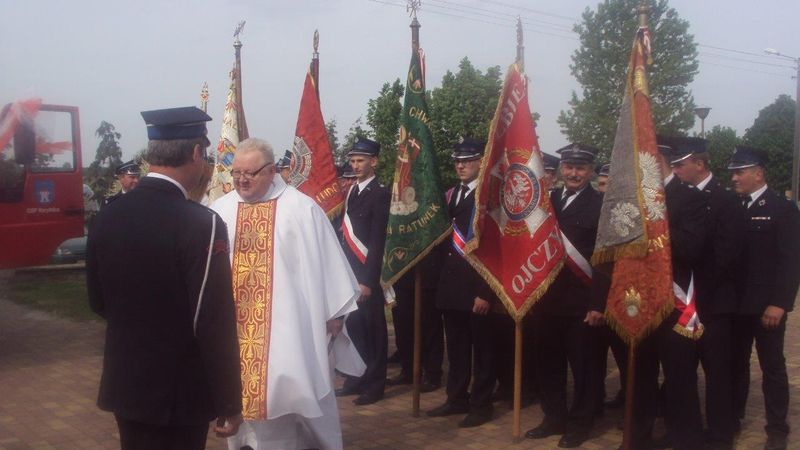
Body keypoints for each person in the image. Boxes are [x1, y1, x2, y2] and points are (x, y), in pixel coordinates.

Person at [86, 106, 243, 450]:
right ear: (196, 153)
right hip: (179, 390)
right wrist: (230, 400)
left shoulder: (108, 217)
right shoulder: (200, 223)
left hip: (126, 382)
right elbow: (212, 320)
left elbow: (97, 300)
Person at [210, 137, 361, 450]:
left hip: (289, 330)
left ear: (271, 171)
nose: (241, 179)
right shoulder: (219, 211)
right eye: (236, 172)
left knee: (292, 398)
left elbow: (329, 267)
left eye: (250, 173)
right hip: (234, 331)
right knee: (239, 395)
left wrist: (334, 315)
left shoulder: (301, 209)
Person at [525, 143, 604, 448]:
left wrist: (598, 303)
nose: (573, 173)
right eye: (568, 167)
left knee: (584, 368)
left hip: (582, 303)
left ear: (590, 171)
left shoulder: (600, 205)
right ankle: (553, 417)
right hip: (547, 300)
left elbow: (604, 260)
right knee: (548, 364)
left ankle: (581, 423)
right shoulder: (547, 201)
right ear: (561, 170)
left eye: (580, 168)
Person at [670, 136, 745, 450]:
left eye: (680, 164)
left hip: (713, 302)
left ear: (699, 164)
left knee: (718, 373)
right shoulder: (676, 198)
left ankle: (719, 435)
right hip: (681, 300)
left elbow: (728, 254)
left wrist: (699, 294)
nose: (675, 171)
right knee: (681, 371)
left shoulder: (725, 199)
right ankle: (686, 434)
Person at [728, 146, 800, 450]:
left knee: (772, 367)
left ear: (759, 173)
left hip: (766, 307)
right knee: (735, 365)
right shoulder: (733, 206)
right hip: (736, 305)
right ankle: (732, 418)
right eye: (732, 172)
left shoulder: (782, 208)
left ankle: (777, 428)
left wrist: (780, 303)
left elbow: (790, 260)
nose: (734, 178)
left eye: (740, 172)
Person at [426, 138, 498, 428]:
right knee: (456, 349)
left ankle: (481, 405)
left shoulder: (489, 196)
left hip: (476, 289)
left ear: (480, 162)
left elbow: (494, 249)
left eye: (467, 161)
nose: (461, 165)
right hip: (452, 287)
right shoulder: (451, 195)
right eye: (457, 161)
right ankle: (456, 397)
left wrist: (485, 292)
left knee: (482, 350)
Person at [336, 136, 392, 406]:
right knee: (354, 328)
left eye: (361, 161)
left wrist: (369, 280)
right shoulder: (352, 192)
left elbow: (379, 240)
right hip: (349, 274)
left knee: (373, 331)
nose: (356, 166)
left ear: (374, 161)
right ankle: (356, 378)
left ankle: (375, 384)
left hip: (365, 276)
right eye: (353, 161)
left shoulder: (381, 193)